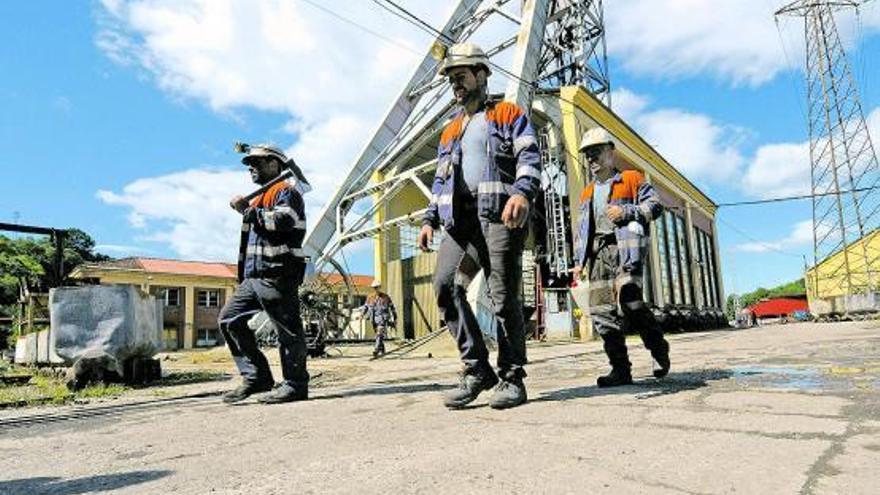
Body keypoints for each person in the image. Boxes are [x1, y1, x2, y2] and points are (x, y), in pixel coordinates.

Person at [417, 43, 541, 410]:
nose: (456, 84)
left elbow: (528, 155)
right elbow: (440, 182)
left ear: (482, 75)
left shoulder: (506, 114)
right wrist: (428, 219)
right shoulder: (450, 131)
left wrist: (522, 191)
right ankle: (477, 370)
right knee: (445, 286)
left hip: (500, 216)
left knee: (503, 298)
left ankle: (512, 377)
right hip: (461, 222)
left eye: (462, 76)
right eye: (452, 79)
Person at [572, 128, 671, 387]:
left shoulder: (631, 178)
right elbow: (583, 231)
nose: (591, 158)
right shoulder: (587, 192)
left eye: (596, 152)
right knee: (602, 314)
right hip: (598, 255)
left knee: (630, 302)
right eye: (587, 155)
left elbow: (655, 206)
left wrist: (626, 211)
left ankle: (658, 348)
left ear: (610, 151)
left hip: (626, 250)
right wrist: (578, 263)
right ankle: (620, 369)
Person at [218, 144, 310, 404]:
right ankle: (257, 376)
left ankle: (295, 384)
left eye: (256, 163)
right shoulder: (260, 198)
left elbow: (282, 222)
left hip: (278, 274)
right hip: (253, 277)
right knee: (229, 320)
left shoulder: (286, 192)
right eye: (249, 164)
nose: (251, 168)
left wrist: (247, 210)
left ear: (274, 164)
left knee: (288, 332)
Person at [359, 279, 397, 358]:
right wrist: (362, 315)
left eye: (377, 287)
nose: (376, 289)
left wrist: (395, 318)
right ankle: (382, 349)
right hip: (374, 320)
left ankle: (376, 350)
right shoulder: (370, 297)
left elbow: (392, 308)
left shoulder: (386, 297)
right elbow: (365, 307)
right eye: (374, 288)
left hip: (383, 319)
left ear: (380, 287)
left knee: (379, 334)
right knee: (378, 335)